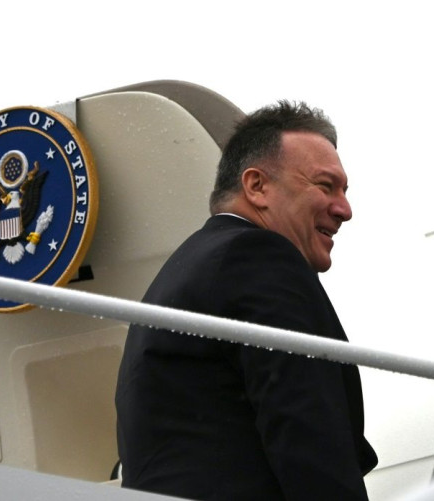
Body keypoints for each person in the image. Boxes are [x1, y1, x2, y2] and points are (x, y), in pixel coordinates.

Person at [115, 101, 378, 500]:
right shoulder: (259, 257)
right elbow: (307, 433)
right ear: (256, 187)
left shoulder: (178, 277)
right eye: (325, 186)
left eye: (344, 191)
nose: (344, 209)